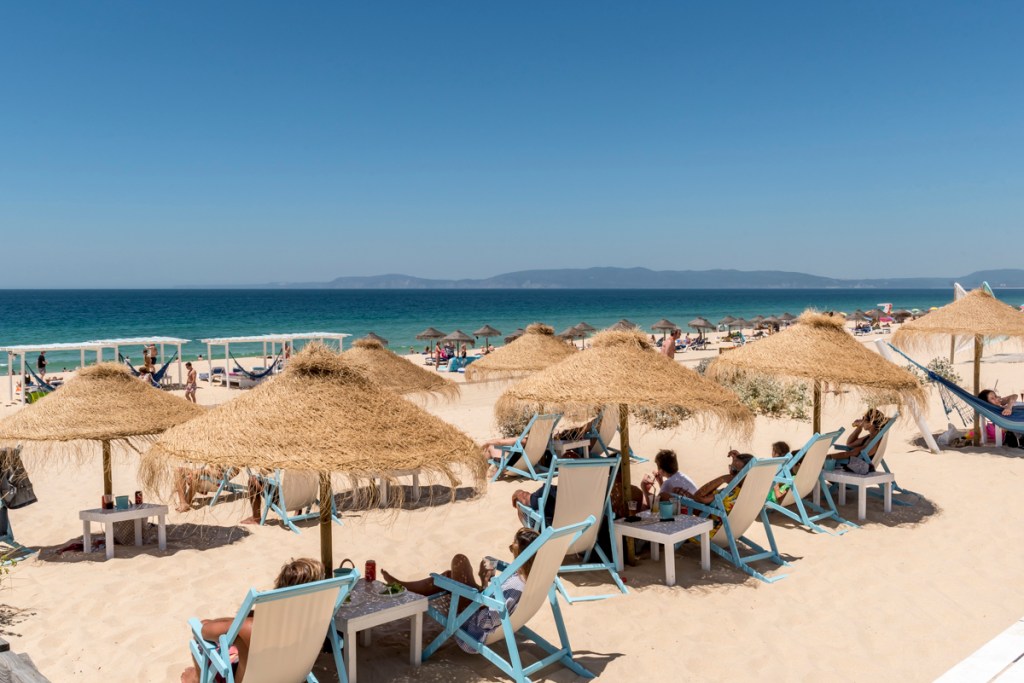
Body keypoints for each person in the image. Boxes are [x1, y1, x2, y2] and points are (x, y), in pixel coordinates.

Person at [382, 528, 539, 653]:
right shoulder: (530, 578)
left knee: (460, 560)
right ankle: (405, 587)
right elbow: (497, 604)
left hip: (472, 626)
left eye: (513, 547)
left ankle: (404, 588)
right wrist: (485, 585)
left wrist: (484, 584)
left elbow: (487, 620)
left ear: (521, 553)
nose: (510, 548)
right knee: (450, 576)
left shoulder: (517, 586)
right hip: (482, 604)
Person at [180, 558, 325, 683]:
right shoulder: (319, 623)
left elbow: (204, 630)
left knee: (199, 645)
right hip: (290, 677)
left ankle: (198, 679)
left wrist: (234, 620)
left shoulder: (249, 628)